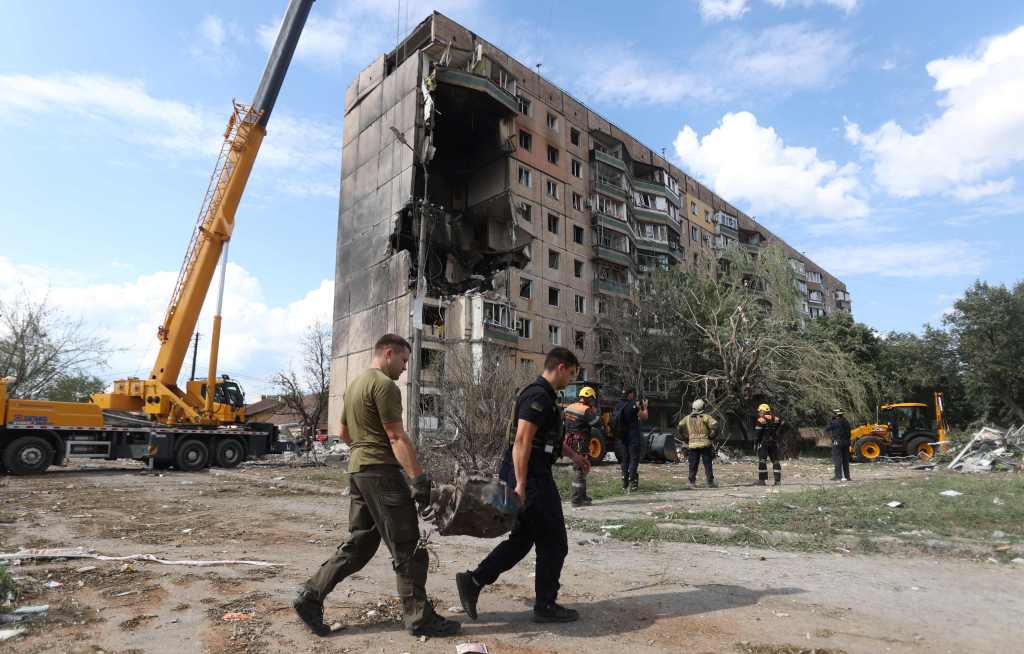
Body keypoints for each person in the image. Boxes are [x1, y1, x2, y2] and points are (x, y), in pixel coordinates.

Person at [293, 334, 460, 638]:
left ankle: (310, 595)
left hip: (359, 470)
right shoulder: (384, 386)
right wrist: (418, 479)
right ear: (388, 353)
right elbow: (396, 436)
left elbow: (344, 432)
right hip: (382, 474)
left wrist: (365, 450)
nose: (405, 368)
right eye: (404, 360)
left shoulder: (355, 385)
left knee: (360, 544)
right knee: (408, 545)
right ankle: (419, 618)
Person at [455, 347, 590, 624]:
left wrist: (575, 456)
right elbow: (522, 441)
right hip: (531, 476)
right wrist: (520, 484)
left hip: (533, 472)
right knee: (554, 542)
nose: (571, 380)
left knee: (522, 541)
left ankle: (474, 580)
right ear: (561, 367)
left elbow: (545, 439)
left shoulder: (547, 398)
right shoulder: (537, 396)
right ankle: (545, 606)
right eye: (572, 374)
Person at [563, 386, 601, 507]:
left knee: (582, 468)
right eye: (592, 400)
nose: (593, 402)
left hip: (570, 441)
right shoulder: (586, 410)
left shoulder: (569, 407)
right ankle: (576, 499)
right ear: (589, 398)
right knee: (580, 469)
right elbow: (596, 423)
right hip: (581, 442)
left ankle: (582, 496)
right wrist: (595, 412)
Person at [613, 389, 648, 492]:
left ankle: (624, 483)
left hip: (622, 437)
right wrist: (645, 407)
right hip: (633, 436)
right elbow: (644, 417)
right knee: (634, 459)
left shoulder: (618, 405)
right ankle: (632, 482)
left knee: (625, 459)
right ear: (631, 394)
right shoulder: (633, 405)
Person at [678, 399, 718, 489]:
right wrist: (711, 436)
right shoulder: (706, 417)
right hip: (705, 444)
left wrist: (685, 437)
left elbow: (679, 426)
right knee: (707, 464)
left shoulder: (687, 418)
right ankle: (710, 482)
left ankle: (692, 483)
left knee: (693, 465)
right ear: (703, 407)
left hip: (692, 445)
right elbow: (716, 426)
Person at [754, 403, 783, 486]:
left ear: (763, 411)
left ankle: (762, 481)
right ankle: (777, 481)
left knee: (762, 461)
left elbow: (758, 434)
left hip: (763, 443)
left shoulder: (760, 420)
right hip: (773, 442)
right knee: (775, 461)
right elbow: (778, 427)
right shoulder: (776, 419)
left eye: (759, 411)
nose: (759, 413)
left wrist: (756, 443)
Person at [827, 408, 852, 482]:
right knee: (845, 460)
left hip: (837, 442)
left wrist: (832, 420)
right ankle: (847, 476)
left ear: (835, 414)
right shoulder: (846, 422)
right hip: (846, 443)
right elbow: (849, 433)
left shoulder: (834, 422)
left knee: (837, 459)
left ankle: (838, 476)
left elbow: (827, 429)